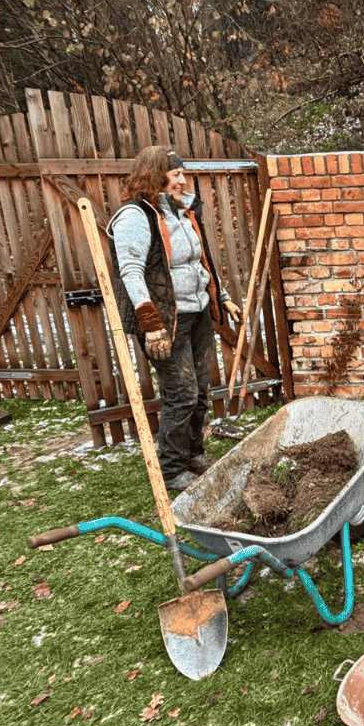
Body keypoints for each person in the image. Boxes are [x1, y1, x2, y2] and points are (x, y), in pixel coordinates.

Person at [106, 146, 242, 491]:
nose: (183, 179)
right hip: (165, 323)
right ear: (155, 176)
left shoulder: (182, 212)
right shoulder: (135, 216)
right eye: (176, 174)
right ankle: (171, 469)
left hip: (195, 314)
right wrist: (151, 324)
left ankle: (195, 453)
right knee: (181, 392)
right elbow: (131, 272)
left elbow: (202, 261)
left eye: (183, 173)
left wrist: (221, 297)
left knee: (199, 391)